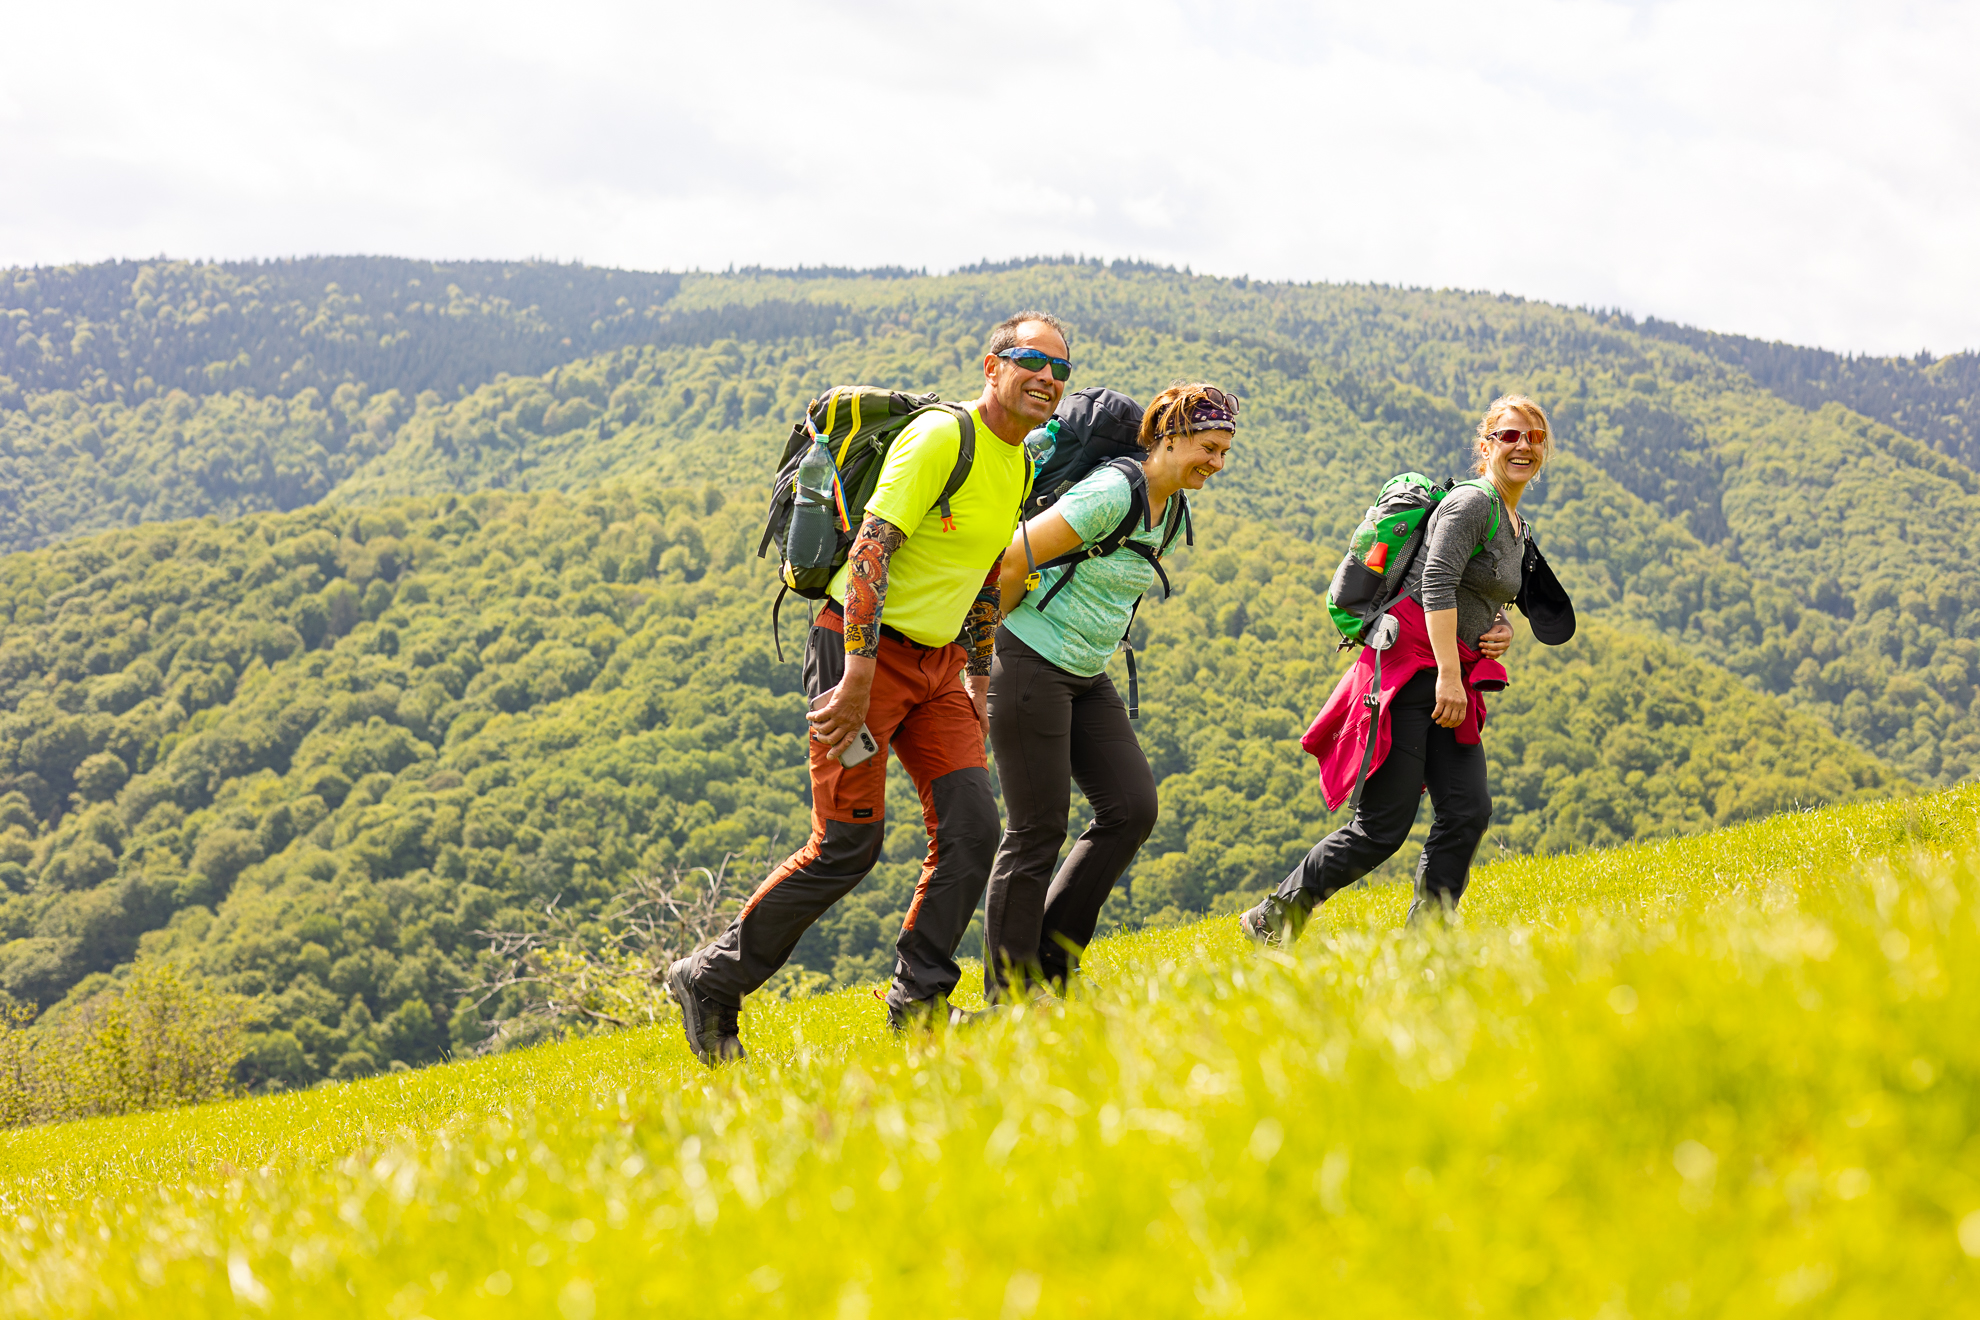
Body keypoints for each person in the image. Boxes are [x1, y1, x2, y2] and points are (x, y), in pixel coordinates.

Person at [667, 311, 1069, 1063]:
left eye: (1059, 370)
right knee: (847, 846)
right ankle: (712, 980)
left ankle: (918, 1002)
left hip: (939, 665)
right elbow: (871, 551)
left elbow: (983, 570)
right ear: (992, 366)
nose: (1047, 378)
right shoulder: (941, 439)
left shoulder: (1018, 462)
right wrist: (854, 677)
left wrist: (978, 675)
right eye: (1030, 361)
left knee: (975, 829)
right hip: (861, 654)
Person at [1241, 394, 1548, 942]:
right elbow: (1434, 582)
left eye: (1533, 437)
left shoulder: (1511, 518)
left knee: (1467, 810)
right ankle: (1272, 916)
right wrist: (1451, 676)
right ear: (1485, 446)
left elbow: (1473, 587)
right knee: (1382, 827)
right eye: (1508, 436)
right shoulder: (1472, 505)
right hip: (1412, 672)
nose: (1522, 445)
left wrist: (1499, 625)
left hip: (1446, 667)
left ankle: (1427, 937)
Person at [982, 382, 1236, 1001]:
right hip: (1028, 659)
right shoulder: (1111, 492)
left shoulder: (1173, 509)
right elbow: (1013, 559)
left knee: (1131, 808)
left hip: (1086, 671)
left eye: (1225, 452)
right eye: (1208, 447)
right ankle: (1012, 994)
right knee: (1036, 830)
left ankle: (1054, 964)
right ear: (1168, 438)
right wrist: (984, 655)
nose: (1217, 463)